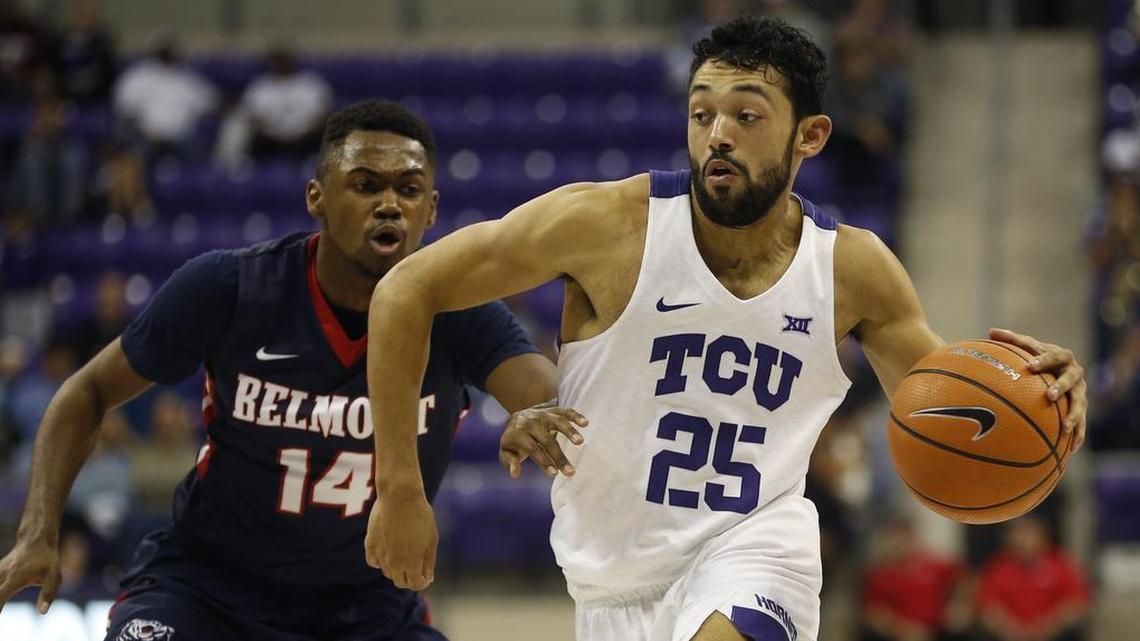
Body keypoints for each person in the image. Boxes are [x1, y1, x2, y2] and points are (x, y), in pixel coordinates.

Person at [363, 16, 1089, 641]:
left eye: (747, 115)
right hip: (610, 583)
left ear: (810, 135)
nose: (718, 135)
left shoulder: (852, 269)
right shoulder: (606, 227)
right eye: (701, 113)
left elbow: (951, 409)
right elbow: (404, 290)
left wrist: (1042, 399)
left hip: (759, 549)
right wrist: (398, 487)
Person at [0, 100, 566, 641]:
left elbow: (558, 404)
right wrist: (36, 533)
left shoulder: (462, 312)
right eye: (366, 185)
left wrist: (537, 417)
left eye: (408, 189)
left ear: (432, 209)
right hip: (207, 588)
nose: (389, 204)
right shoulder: (232, 287)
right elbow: (87, 391)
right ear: (317, 197)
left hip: (366, 609)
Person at [977, 516, 1091, 641]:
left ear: (1043, 536)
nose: (1022, 540)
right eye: (1017, 533)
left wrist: (1047, 628)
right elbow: (987, 606)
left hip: (1055, 636)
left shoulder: (1061, 564)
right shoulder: (997, 567)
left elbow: (1076, 602)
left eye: (1028, 533)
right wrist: (1011, 630)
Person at [860, 517, 970, 641]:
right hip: (901, 634)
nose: (899, 545)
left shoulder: (934, 564)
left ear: (912, 538)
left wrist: (959, 604)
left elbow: (963, 579)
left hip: (939, 631)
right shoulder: (881, 576)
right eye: (894, 540)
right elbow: (874, 613)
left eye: (903, 539)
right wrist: (903, 630)